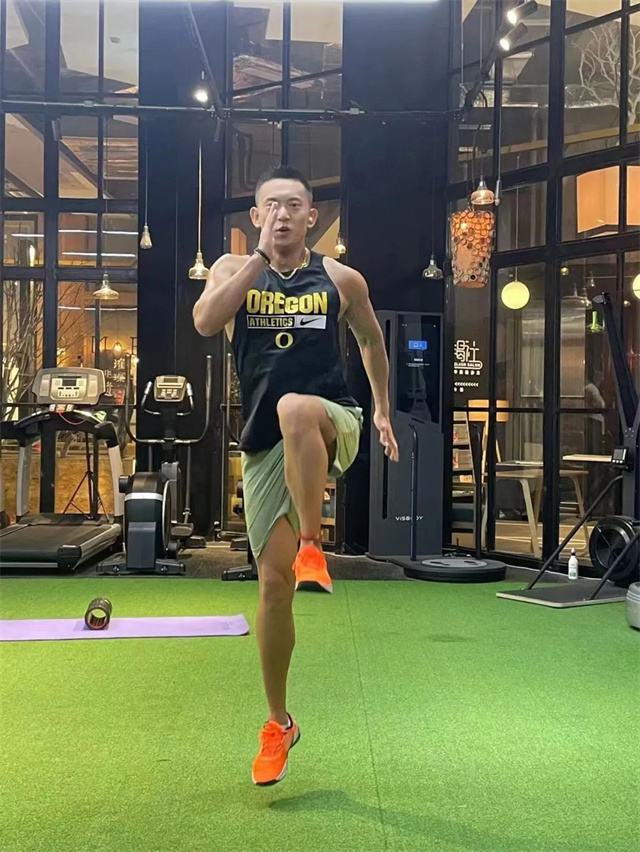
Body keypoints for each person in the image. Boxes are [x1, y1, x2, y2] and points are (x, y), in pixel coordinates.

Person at [193, 165, 398, 787]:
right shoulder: (233, 270)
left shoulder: (340, 278)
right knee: (273, 587)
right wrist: (256, 262)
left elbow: (371, 341)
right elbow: (205, 322)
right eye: (271, 206)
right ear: (256, 217)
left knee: (296, 408)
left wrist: (382, 409)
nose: (282, 214)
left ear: (312, 217)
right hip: (265, 447)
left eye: (294, 205)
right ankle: (279, 723)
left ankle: (314, 543)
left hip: (333, 420)